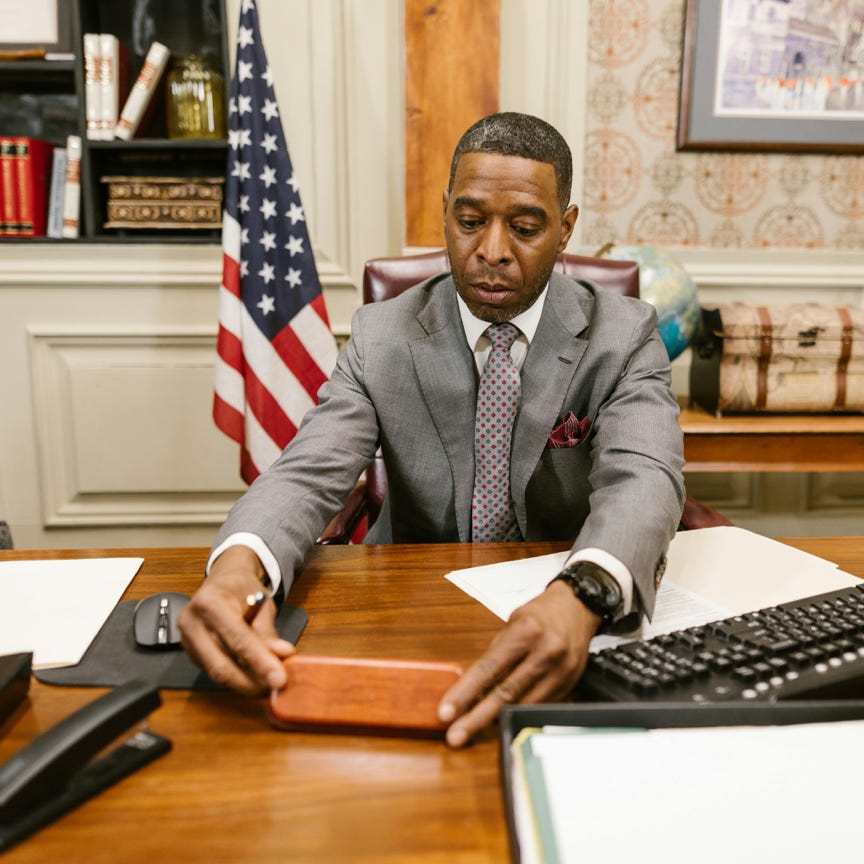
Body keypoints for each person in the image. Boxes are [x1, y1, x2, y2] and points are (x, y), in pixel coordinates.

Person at [179, 112, 685, 747]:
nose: (493, 251)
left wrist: (584, 593)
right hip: (412, 608)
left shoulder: (624, 334)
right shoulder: (382, 334)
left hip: (563, 613)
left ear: (565, 230)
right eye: (470, 221)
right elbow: (308, 471)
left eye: (526, 227)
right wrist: (239, 568)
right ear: (446, 213)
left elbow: (646, 477)